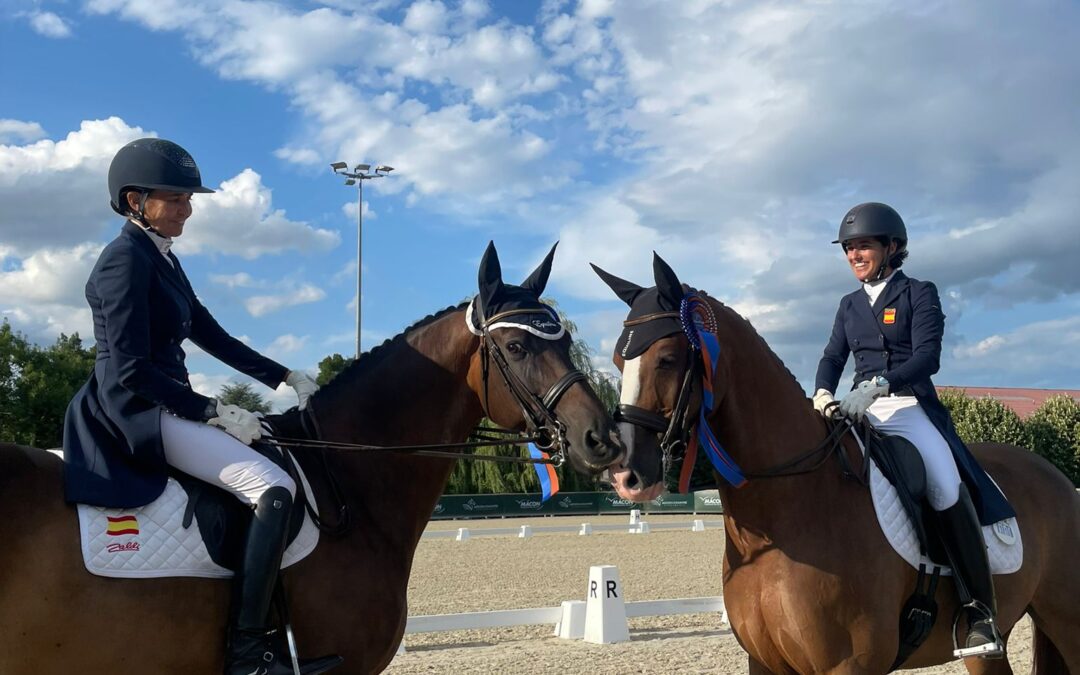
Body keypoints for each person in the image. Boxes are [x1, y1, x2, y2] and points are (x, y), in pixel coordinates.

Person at [63, 138, 339, 675]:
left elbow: (211, 334)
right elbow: (129, 370)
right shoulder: (124, 260)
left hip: (164, 400)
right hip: (134, 412)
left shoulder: (161, 258)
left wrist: (285, 376)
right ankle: (247, 653)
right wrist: (210, 410)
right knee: (273, 488)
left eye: (190, 199)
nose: (187, 209)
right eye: (176, 198)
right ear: (135, 201)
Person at [812, 202, 1014, 659]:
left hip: (907, 404)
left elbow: (928, 357)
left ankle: (979, 611)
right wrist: (822, 391)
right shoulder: (848, 305)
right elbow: (832, 356)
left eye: (863, 245)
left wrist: (882, 384)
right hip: (858, 410)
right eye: (848, 248)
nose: (854, 255)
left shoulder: (918, 293)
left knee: (944, 483)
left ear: (892, 247)